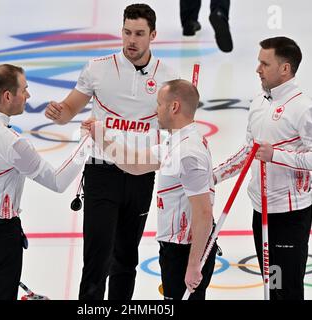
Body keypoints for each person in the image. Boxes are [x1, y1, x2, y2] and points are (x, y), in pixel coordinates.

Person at [45, 4, 179, 300]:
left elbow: (177, 126)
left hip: (142, 175)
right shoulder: (98, 68)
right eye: (127, 32)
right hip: (101, 173)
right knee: (96, 259)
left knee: (126, 258)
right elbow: (69, 109)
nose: (131, 40)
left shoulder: (169, 76)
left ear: (153, 35)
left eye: (139, 34)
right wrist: (58, 112)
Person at [0, 64, 89, 300]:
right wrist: (88, 143)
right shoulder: (10, 142)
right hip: (0, 236)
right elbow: (57, 181)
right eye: (25, 89)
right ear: (7, 96)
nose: (28, 95)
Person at [213, 37, 312, 300]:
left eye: (265, 63)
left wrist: (275, 155)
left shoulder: (305, 108)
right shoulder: (258, 102)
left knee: (286, 290)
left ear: (285, 69)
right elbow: (248, 151)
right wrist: (213, 176)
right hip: (261, 208)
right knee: (272, 284)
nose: (258, 69)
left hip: (289, 215)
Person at [83, 79, 217, 300]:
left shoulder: (187, 152)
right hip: (174, 248)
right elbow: (135, 163)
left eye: (159, 104)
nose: (156, 110)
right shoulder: (175, 142)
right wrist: (102, 137)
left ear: (174, 107)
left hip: (185, 250)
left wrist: (194, 265)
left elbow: (203, 213)